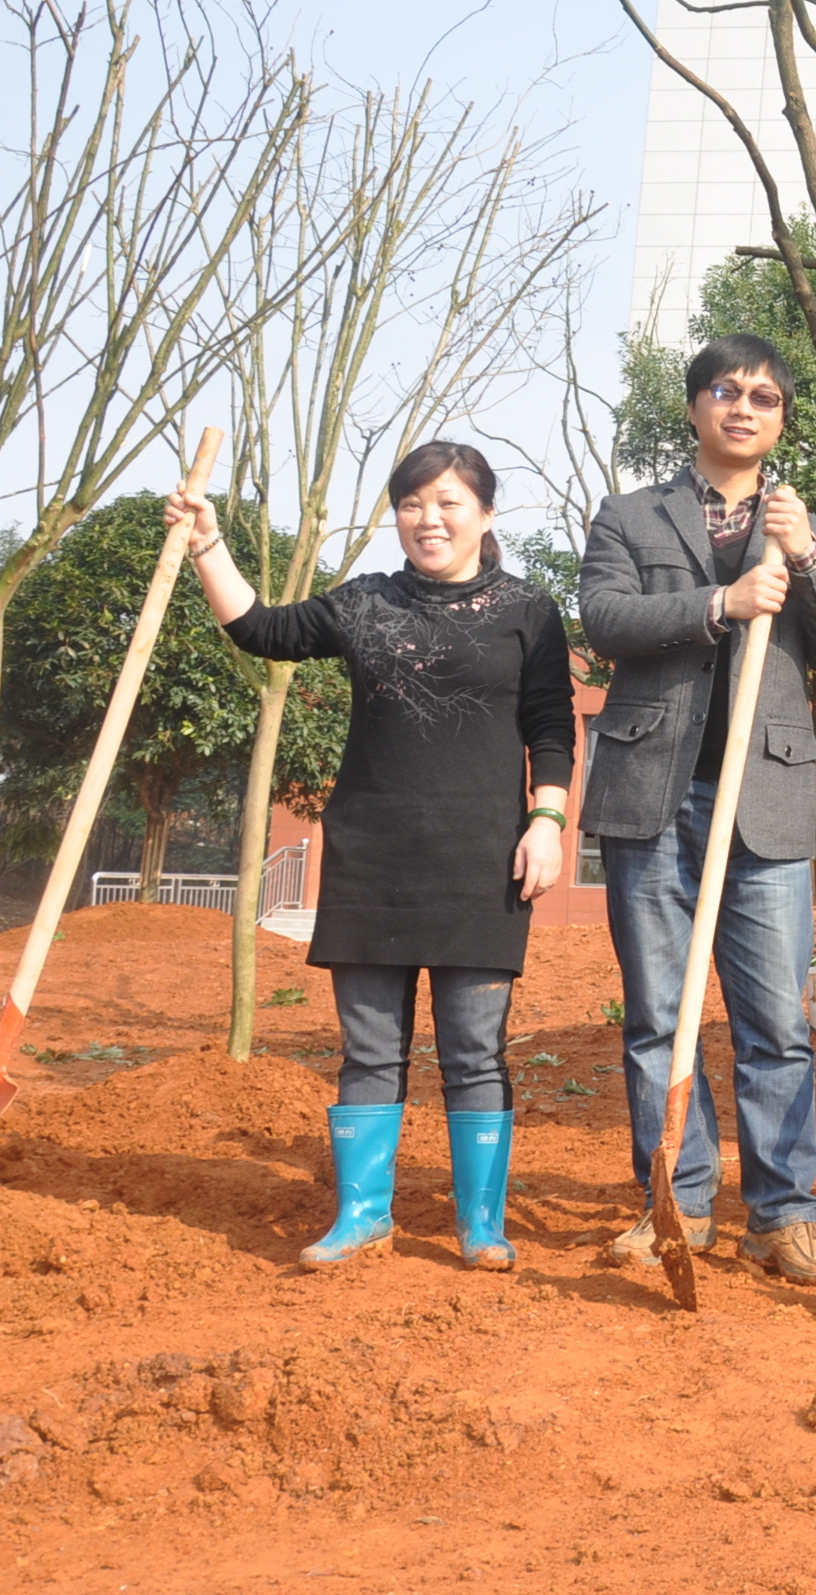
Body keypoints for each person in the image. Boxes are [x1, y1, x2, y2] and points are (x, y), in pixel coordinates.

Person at [170, 442, 577, 1271]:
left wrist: (547, 820)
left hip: (481, 859)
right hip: (373, 855)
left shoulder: (528, 609)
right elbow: (261, 629)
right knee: (368, 1047)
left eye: (450, 502)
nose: (430, 518)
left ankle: (481, 1225)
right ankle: (362, 1215)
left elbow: (552, 723)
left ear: (486, 515)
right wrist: (208, 545)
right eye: (413, 503)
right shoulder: (365, 604)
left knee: (473, 1047)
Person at [580, 335, 816, 1287]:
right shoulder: (630, 515)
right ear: (697, 406)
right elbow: (606, 621)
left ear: (782, 418)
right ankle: (678, 1204)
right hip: (648, 796)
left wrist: (808, 552)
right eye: (727, 391)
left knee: (775, 1020)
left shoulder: (804, 525)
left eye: (766, 397)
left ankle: (782, 1217)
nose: (745, 407)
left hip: (765, 800)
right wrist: (722, 600)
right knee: (660, 1013)